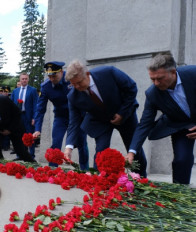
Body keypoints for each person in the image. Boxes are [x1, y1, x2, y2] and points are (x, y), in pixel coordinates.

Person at [63, 60, 147, 176]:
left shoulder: (108, 73)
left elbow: (131, 88)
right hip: (100, 119)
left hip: (124, 113)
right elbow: (74, 122)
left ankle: (141, 177)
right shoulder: (73, 96)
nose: (77, 87)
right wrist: (69, 147)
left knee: (133, 148)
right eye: (73, 84)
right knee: (101, 152)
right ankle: (100, 179)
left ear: (87, 75)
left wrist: (122, 113)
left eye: (79, 82)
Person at [127, 53, 196, 184]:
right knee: (181, 160)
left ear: (173, 72)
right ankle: (180, 194)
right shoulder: (153, 93)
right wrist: (131, 152)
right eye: (152, 79)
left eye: (160, 78)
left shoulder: (193, 74)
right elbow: (144, 124)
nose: (156, 83)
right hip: (181, 124)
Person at [33, 61, 89, 169]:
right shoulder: (45, 87)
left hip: (78, 117)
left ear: (61, 72)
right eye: (49, 76)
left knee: (82, 144)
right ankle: (52, 170)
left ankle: (84, 170)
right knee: (56, 143)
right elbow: (40, 109)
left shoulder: (71, 81)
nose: (52, 79)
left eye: (54, 76)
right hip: (60, 117)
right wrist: (37, 129)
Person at [11, 73, 38, 158]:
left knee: (30, 136)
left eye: (26, 79)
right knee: (18, 136)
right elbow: (11, 105)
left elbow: (35, 105)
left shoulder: (33, 90)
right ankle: (20, 154)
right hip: (18, 117)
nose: (24, 80)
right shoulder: (15, 91)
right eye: (22, 79)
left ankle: (31, 154)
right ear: (20, 80)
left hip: (28, 116)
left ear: (28, 79)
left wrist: (34, 117)